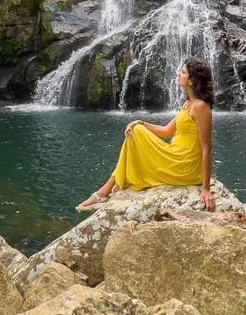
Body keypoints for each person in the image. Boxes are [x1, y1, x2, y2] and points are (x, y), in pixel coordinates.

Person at [76, 56, 216, 213]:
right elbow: (167, 131)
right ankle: (107, 189)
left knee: (136, 133)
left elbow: (207, 148)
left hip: (184, 165)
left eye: (183, 72)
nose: (178, 74)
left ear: (192, 81)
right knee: (135, 130)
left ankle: (105, 191)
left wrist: (206, 188)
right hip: (175, 156)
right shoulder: (188, 103)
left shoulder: (201, 107)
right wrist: (141, 122)